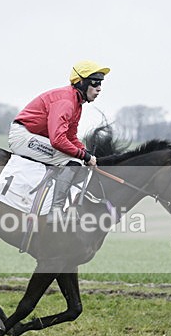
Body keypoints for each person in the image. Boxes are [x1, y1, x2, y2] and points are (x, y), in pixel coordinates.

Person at [9, 60, 110, 222]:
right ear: (81, 82)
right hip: (23, 136)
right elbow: (57, 140)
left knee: (79, 159)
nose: (99, 88)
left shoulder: (77, 103)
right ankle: (55, 211)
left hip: (34, 135)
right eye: (94, 82)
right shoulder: (66, 102)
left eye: (101, 83)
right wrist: (84, 156)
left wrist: (86, 152)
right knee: (74, 162)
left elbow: (71, 137)